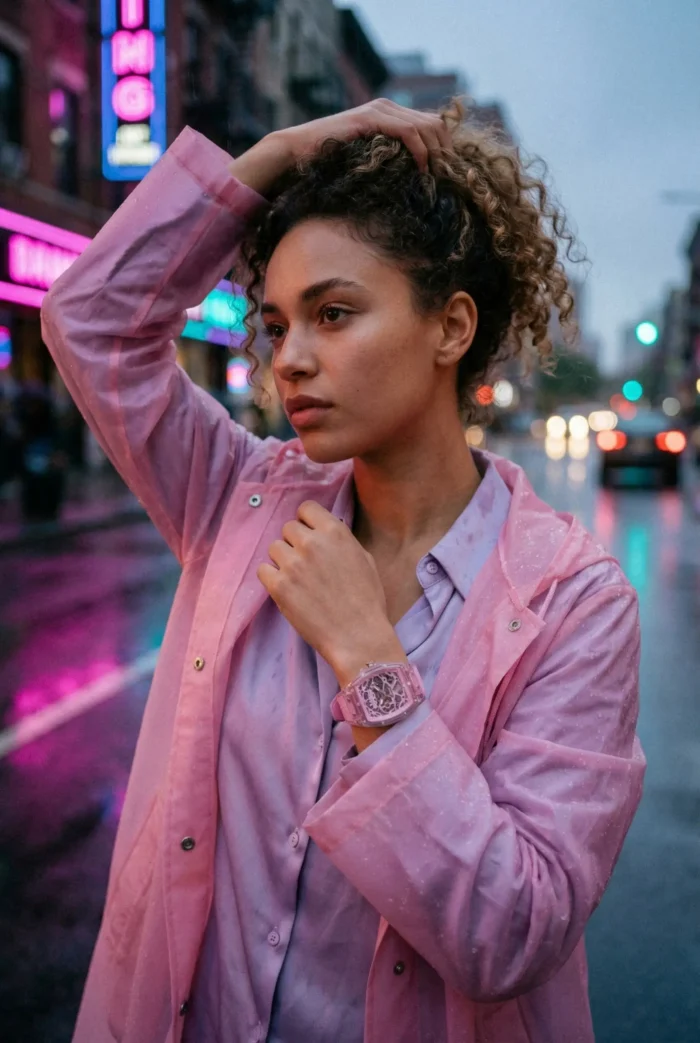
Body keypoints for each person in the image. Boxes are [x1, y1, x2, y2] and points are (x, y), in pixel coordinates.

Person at [41, 98, 646, 1043]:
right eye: (278, 324)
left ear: (451, 327)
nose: (290, 360)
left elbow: (514, 932)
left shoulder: (576, 601)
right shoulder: (240, 497)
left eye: (333, 313)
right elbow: (91, 321)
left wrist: (369, 663)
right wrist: (279, 154)